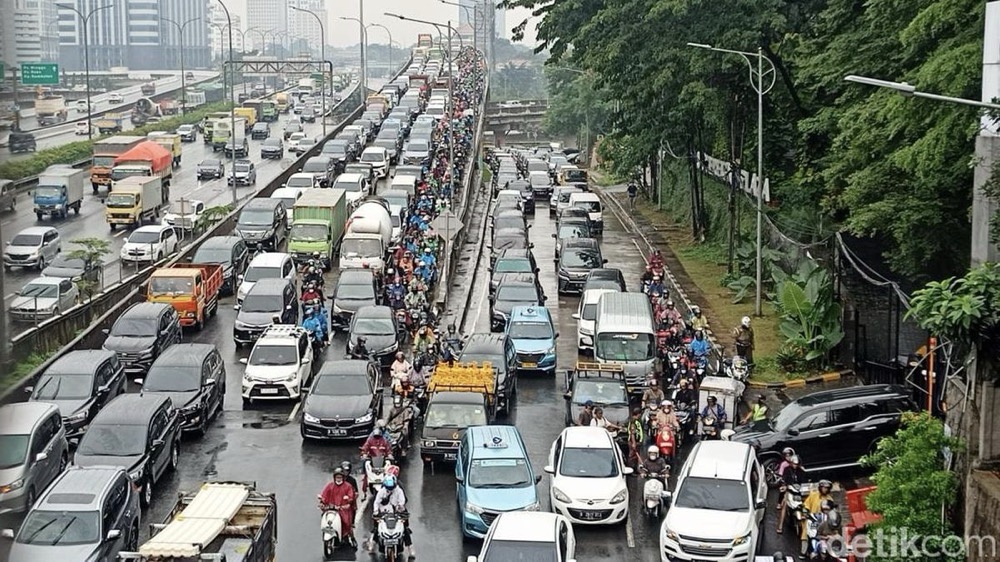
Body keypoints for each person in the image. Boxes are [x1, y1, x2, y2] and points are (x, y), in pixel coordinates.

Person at [368, 475, 414, 558]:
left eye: (391, 487)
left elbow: (402, 500)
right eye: (388, 487)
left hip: (397, 512)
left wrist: (400, 506)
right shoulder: (382, 491)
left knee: (405, 529)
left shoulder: (399, 490)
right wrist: (376, 511)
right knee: (377, 529)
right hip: (383, 513)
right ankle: (372, 545)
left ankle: (410, 548)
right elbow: (376, 502)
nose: (390, 489)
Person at [318, 467, 358, 547]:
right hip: (331, 508)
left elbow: (351, 496)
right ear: (334, 477)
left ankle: (352, 538)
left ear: (343, 478)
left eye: (340, 477)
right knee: (325, 517)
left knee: (347, 523)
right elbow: (324, 494)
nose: (338, 479)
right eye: (337, 477)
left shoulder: (348, 486)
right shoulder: (330, 486)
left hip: (343, 509)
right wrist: (322, 501)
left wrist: (348, 500)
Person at [801, 480, 834, 552]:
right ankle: (803, 551)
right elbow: (806, 505)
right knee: (805, 535)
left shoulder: (830, 500)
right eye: (823, 487)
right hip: (812, 520)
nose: (825, 489)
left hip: (823, 522)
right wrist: (805, 513)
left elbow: (832, 512)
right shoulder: (813, 495)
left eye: (827, 488)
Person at [776, 455, 806, 534]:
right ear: (791, 463)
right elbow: (784, 479)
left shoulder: (801, 471)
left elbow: (805, 480)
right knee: (784, 506)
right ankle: (780, 526)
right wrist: (784, 486)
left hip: (799, 492)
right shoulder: (786, 470)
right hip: (789, 491)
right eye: (794, 464)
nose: (795, 465)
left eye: (796, 464)